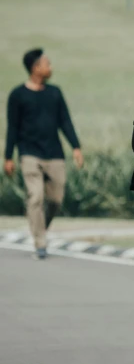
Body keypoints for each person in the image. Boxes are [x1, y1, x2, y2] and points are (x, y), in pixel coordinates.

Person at [3, 49, 83, 259]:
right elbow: (12, 127)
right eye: (47, 64)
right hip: (29, 154)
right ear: (36, 68)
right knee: (35, 196)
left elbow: (65, 121)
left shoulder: (55, 93)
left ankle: (39, 225)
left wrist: (75, 146)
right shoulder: (17, 95)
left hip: (54, 153)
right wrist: (8, 156)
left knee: (56, 198)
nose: (51, 67)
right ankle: (40, 242)